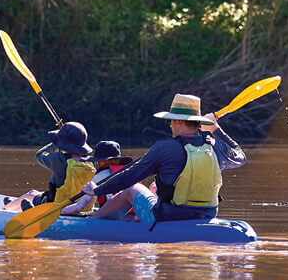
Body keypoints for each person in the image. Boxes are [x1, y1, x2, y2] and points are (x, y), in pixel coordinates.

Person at [83, 94, 245, 225]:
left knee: (131, 189)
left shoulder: (164, 149)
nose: (170, 125)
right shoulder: (215, 147)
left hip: (170, 217)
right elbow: (240, 156)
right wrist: (215, 129)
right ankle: (125, 221)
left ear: (179, 121)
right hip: (207, 214)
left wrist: (96, 190)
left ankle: (91, 224)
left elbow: (131, 176)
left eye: (170, 121)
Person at [6, 121, 95, 213]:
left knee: (32, 193)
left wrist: (56, 142)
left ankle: (3, 209)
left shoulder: (58, 159)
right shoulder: (92, 162)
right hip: (84, 208)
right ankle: (11, 203)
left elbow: (39, 155)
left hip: (57, 206)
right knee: (38, 194)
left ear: (63, 144)